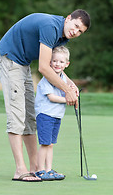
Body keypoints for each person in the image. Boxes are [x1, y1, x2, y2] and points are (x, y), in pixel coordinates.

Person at [0, 9, 91, 182]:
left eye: (80, 31)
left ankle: (36, 168)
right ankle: (20, 170)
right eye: (75, 26)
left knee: (30, 117)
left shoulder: (63, 38)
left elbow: (54, 68)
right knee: (17, 114)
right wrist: (67, 91)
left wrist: (70, 84)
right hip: (9, 59)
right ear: (68, 18)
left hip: (22, 65)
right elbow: (44, 68)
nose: (76, 32)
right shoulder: (50, 27)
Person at [34, 46, 70, 181]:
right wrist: (68, 100)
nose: (57, 64)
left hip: (56, 116)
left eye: (61, 62)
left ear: (66, 64)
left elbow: (67, 89)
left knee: (50, 144)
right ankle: (40, 170)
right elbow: (52, 97)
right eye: (54, 61)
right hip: (45, 115)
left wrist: (73, 92)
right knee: (45, 143)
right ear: (49, 62)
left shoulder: (63, 79)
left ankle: (49, 170)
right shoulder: (47, 79)